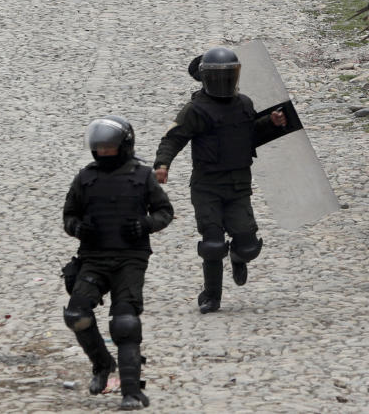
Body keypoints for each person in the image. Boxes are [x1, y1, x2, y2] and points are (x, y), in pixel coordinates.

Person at [154, 47, 288, 314]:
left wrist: (272, 122)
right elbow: (174, 138)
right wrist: (162, 164)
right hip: (207, 186)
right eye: (219, 75)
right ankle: (211, 295)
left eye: (229, 74)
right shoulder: (196, 109)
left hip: (239, 185)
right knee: (213, 244)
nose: (224, 81)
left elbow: (250, 136)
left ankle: (239, 256)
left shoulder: (245, 104)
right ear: (206, 78)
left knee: (249, 246)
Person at [63, 116, 173, 410]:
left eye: (110, 149)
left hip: (130, 259)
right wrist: (78, 229)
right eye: (100, 149)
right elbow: (69, 216)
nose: (104, 154)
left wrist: (145, 225)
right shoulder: (85, 179)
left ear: (123, 146)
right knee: (76, 314)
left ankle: (132, 391)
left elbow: (164, 211)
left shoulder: (142, 176)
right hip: (94, 258)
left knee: (124, 322)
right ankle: (102, 364)